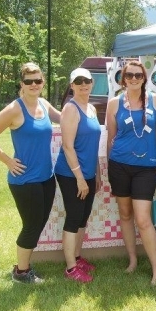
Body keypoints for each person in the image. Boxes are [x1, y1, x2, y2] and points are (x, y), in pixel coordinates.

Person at [0, 62, 61, 284]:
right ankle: (21, 273)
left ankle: (23, 266)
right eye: (29, 81)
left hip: (46, 177)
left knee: (38, 223)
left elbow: (63, 118)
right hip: (25, 180)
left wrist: (88, 113)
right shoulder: (15, 109)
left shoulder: (43, 104)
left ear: (43, 82)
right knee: (32, 226)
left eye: (38, 80)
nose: (34, 84)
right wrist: (7, 160)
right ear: (21, 84)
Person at [106, 60, 156, 285]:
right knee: (125, 214)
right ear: (123, 78)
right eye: (129, 75)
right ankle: (132, 260)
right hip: (119, 164)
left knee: (143, 219)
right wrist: (106, 166)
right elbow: (112, 138)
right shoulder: (114, 103)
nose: (133, 79)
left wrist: (153, 142)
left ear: (144, 78)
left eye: (138, 75)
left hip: (145, 168)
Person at [54, 68, 102, 283]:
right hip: (71, 174)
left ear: (92, 83)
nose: (83, 84)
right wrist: (80, 178)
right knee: (74, 218)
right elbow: (67, 146)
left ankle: (77, 257)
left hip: (88, 173)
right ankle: (71, 268)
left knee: (83, 218)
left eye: (87, 81)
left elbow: (93, 145)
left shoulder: (90, 108)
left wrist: (97, 173)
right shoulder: (71, 109)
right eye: (78, 81)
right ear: (72, 85)